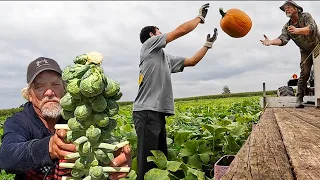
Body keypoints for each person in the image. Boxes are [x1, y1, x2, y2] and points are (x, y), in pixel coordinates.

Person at [0, 57, 131, 180]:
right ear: (29, 95)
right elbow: (7, 156)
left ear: (65, 89)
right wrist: (48, 148)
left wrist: (114, 162)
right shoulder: (19, 122)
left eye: (55, 84)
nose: (49, 92)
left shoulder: (80, 120)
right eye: (39, 87)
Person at [132, 3, 218, 179]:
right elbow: (180, 31)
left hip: (157, 113)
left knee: (160, 160)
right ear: (152, 35)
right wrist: (199, 18)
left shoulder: (166, 58)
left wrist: (207, 44)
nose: (161, 34)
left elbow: (192, 61)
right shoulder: (149, 46)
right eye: (159, 31)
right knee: (147, 165)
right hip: (146, 112)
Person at [260, 0, 320, 108]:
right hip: (305, 51)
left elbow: (311, 29)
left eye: (288, 7)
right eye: (284, 8)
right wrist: (271, 42)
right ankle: (299, 98)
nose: (286, 9)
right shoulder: (286, 27)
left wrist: (297, 30)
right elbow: (283, 40)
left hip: (318, 45)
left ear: (296, 9)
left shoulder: (306, 16)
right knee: (305, 73)